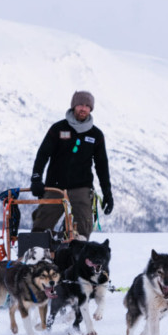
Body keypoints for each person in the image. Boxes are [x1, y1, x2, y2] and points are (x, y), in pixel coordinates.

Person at [30, 90, 113, 237]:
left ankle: (76, 257)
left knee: (82, 230)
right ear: (74, 106)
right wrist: (36, 179)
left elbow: (102, 165)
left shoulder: (96, 135)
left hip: (81, 188)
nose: (84, 108)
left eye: (88, 106)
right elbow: (42, 155)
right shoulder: (58, 129)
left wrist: (107, 192)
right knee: (41, 227)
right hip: (54, 187)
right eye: (80, 104)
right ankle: (35, 256)